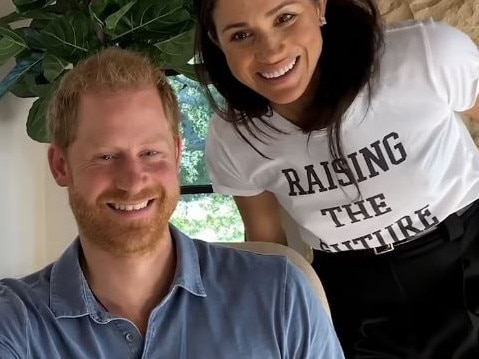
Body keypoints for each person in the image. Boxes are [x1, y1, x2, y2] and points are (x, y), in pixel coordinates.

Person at [0, 48, 344, 359]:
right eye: (105, 156)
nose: (133, 181)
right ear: (61, 166)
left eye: (151, 153)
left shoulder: (279, 295)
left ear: (178, 154)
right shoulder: (15, 321)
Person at [193, 0, 479, 357]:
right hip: (352, 298)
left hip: (464, 255)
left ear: (319, 7)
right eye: (240, 34)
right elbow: (267, 243)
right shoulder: (234, 137)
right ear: (218, 42)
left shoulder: (425, 55)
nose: (270, 51)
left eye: (285, 18)